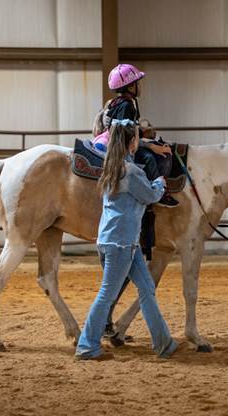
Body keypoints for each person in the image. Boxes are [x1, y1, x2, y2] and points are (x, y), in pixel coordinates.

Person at [75, 119, 178, 360]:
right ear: (132, 143)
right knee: (107, 294)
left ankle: (164, 343)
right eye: (136, 137)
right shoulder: (130, 172)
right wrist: (160, 184)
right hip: (121, 243)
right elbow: (150, 196)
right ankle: (87, 345)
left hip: (119, 241)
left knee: (146, 289)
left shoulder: (113, 167)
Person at [92, 63, 178, 207]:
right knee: (149, 158)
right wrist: (152, 146)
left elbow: (129, 128)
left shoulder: (119, 103)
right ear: (131, 87)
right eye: (138, 83)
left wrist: (143, 132)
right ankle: (159, 192)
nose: (141, 86)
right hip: (118, 145)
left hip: (116, 140)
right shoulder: (127, 106)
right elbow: (124, 135)